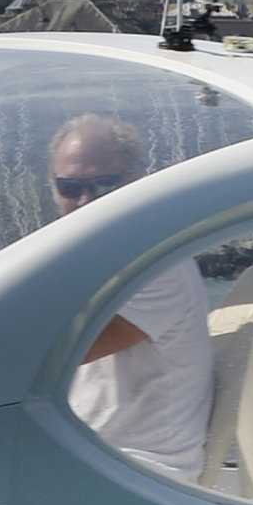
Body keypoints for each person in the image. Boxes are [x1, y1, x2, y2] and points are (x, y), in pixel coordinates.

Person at [48, 113, 214, 485]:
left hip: (140, 471)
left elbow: (45, 353)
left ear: (137, 181)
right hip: (83, 452)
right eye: (70, 187)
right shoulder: (92, 261)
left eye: (104, 184)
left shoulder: (157, 265)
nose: (86, 200)